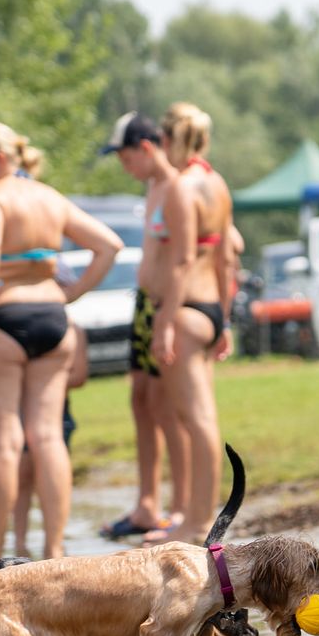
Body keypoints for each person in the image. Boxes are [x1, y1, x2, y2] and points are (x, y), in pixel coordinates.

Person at [0, 122, 120, 561]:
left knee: (4, 442)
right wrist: (70, 293)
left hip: (0, 317)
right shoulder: (49, 196)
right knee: (48, 436)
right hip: (53, 316)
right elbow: (108, 246)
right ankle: (54, 553)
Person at [98, 105, 236, 545]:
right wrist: (226, 320)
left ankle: (196, 523)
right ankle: (193, 518)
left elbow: (179, 261)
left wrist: (164, 324)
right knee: (199, 419)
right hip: (210, 307)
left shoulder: (180, 187)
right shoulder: (217, 183)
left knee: (197, 420)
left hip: (184, 308)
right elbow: (227, 257)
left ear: (170, 140)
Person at [12, 320, 88, 556]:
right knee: (22, 478)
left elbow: (80, 376)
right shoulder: (16, 329)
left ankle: (53, 543)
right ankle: (19, 542)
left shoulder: (72, 330)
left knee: (50, 477)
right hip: (20, 413)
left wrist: (41, 380)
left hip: (55, 414)